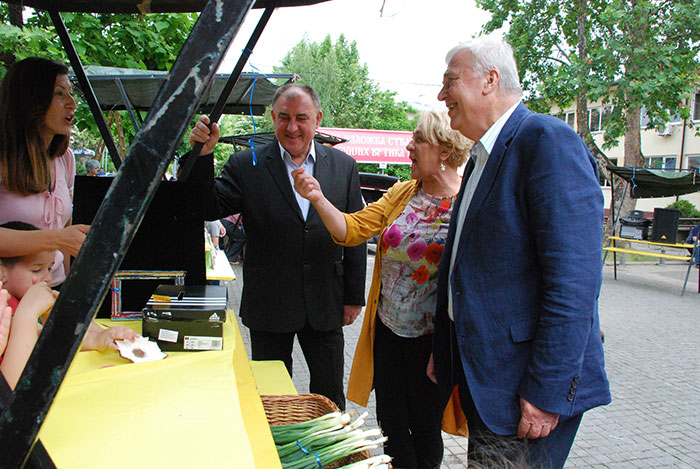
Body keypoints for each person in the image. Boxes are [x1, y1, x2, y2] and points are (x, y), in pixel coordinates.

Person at [430, 36, 610, 468]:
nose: (441, 95)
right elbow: (469, 266)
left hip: (528, 387)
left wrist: (547, 391)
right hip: (489, 378)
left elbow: (574, 283)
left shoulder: (547, 140)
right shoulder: (481, 156)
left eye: (450, 81)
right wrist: (445, 344)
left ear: (489, 80)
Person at [293, 110, 470, 468]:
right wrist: (317, 197)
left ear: (445, 151)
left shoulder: (467, 203)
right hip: (388, 331)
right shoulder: (404, 192)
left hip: (433, 341)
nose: (409, 146)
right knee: (390, 422)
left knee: (423, 427)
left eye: (418, 140)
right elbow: (352, 229)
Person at [186, 83, 366, 410]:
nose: (292, 127)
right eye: (284, 117)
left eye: (301, 118)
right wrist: (202, 155)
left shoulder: (343, 166)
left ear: (317, 119)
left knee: (329, 397)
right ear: (272, 118)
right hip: (269, 303)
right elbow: (207, 208)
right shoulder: (246, 165)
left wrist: (354, 296)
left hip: (326, 302)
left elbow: (354, 235)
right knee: (271, 397)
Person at [0, 222, 138, 388]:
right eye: (37, 270)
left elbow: (45, 337)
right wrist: (28, 313)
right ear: (2, 272)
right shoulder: (10, 307)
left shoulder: (17, 303)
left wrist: (97, 338)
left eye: (50, 268)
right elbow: (12, 387)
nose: (48, 278)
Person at [0, 57, 90, 288]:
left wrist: (71, 289)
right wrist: (58, 237)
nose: (72, 103)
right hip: (9, 301)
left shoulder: (65, 159)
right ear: (30, 99)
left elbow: (66, 238)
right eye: (59, 93)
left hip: (53, 291)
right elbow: (62, 236)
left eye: (71, 93)